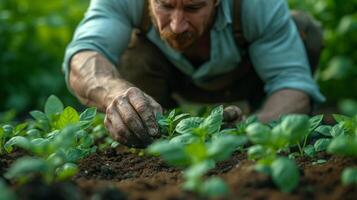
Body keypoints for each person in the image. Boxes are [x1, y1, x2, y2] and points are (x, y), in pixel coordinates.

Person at [63, 0, 325, 147]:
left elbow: (292, 81)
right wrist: (114, 94)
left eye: (193, 8)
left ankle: (264, 119)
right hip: (161, 77)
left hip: (244, 75)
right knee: (129, 52)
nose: (177, 26)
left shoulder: (257, 4)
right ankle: (154, 131)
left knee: (304, 31)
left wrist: (249, 131)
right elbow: (85, 53)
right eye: (165, 6)